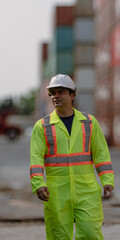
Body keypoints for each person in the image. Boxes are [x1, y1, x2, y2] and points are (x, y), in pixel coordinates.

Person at [30, 74, 115, 240]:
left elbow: (101, 155)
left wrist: (107, 180)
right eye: (53, 93)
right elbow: (36, 159)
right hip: (56, 193)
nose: (55, 96)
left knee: (91, 234)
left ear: (72, 95)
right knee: (59, 236)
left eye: (60, 92)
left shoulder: (89, 123)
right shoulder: (42, 126)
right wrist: (38, 183)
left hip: (86, 191)